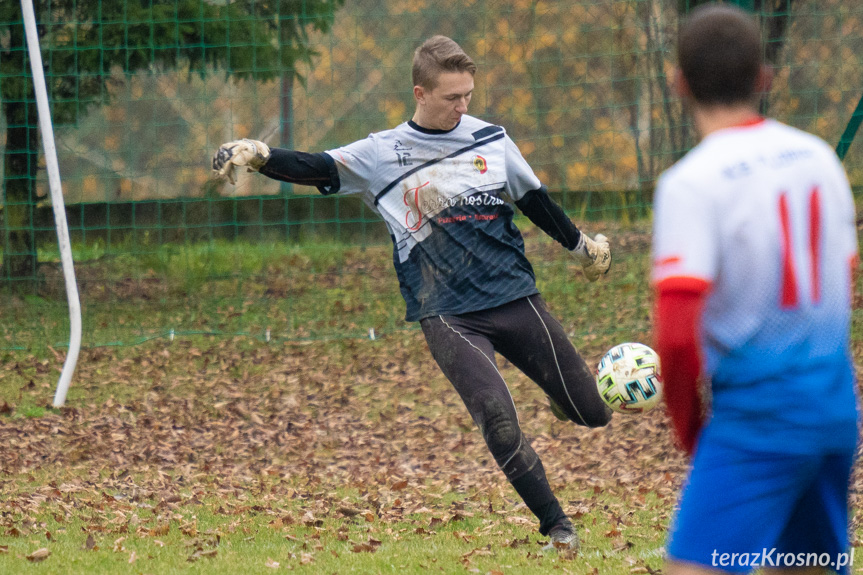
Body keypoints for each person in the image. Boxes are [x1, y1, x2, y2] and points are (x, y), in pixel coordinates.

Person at [212, 35, 613, 551]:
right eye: (452, 97)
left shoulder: (491, 138)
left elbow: (535, 201)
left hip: (514, 297)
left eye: (468, 94)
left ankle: (566, 400)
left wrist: (583, 249)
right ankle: (558, 526)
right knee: (495, 415)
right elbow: (317, 167)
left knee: (592, 413)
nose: (463, 106)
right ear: (421, 93)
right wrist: (261, 155)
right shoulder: (382, 153)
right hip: (447, 314)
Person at [652, 5, 859, 575]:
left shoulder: (690, 183)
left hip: (759, 419)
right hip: (834, 409)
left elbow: (674, 334)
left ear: (680, 84)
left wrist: (690, 425)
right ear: (764, 78)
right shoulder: (818, 159)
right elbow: (844, 278)